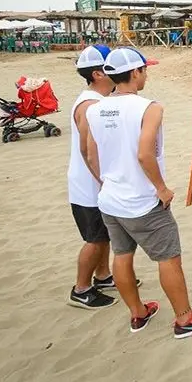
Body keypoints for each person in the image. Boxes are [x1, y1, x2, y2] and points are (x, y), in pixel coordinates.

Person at [85, 47, 192, 338]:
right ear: (135, 72)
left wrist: (106, 182)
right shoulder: (149, 107)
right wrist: (161, 188)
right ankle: (185, 319)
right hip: (142, 199)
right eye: (144, 70)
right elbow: (145, 154)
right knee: (168, 257)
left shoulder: (95, 109)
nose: (146, 74)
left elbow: (90, 153)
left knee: (122, 255)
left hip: (110, 198)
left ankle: (138, 313)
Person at [66, 45, 120, 310]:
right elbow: (88, 150)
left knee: (104, 234)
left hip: (92, 182)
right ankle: (81, 288)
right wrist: (104, 180)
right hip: (90, 185)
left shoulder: (97, 101)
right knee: (95, 238)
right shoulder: (90, 105)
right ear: (98, 73)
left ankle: (103, 276)